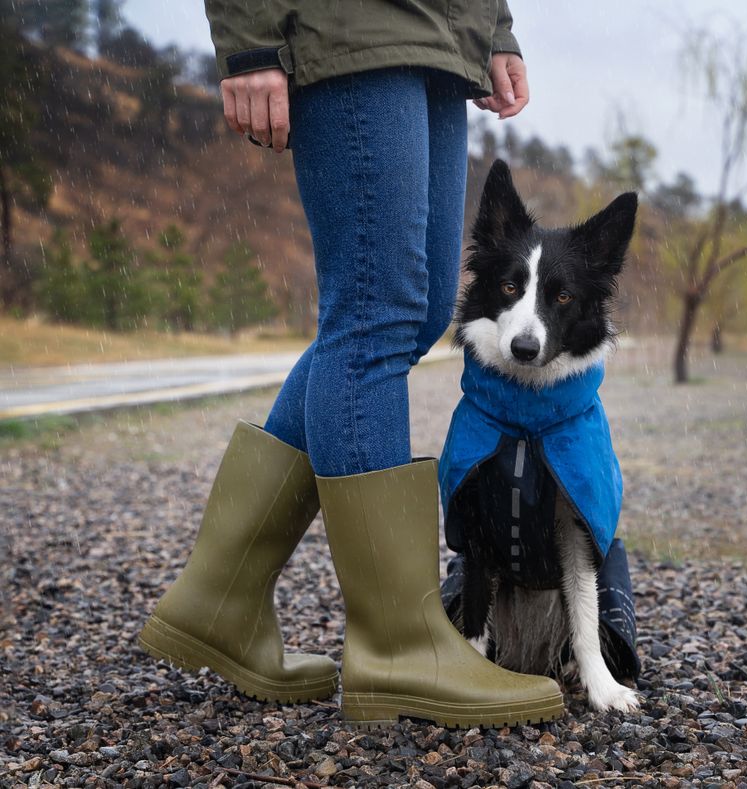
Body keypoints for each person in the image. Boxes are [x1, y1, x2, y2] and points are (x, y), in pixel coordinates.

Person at [137, 1, 564, 728]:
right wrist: (249, 43)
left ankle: (223, 597)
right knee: (372, 313)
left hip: (436, 32)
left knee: (414, 311)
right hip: (350, 24)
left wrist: (491, 25)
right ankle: (398, 644)